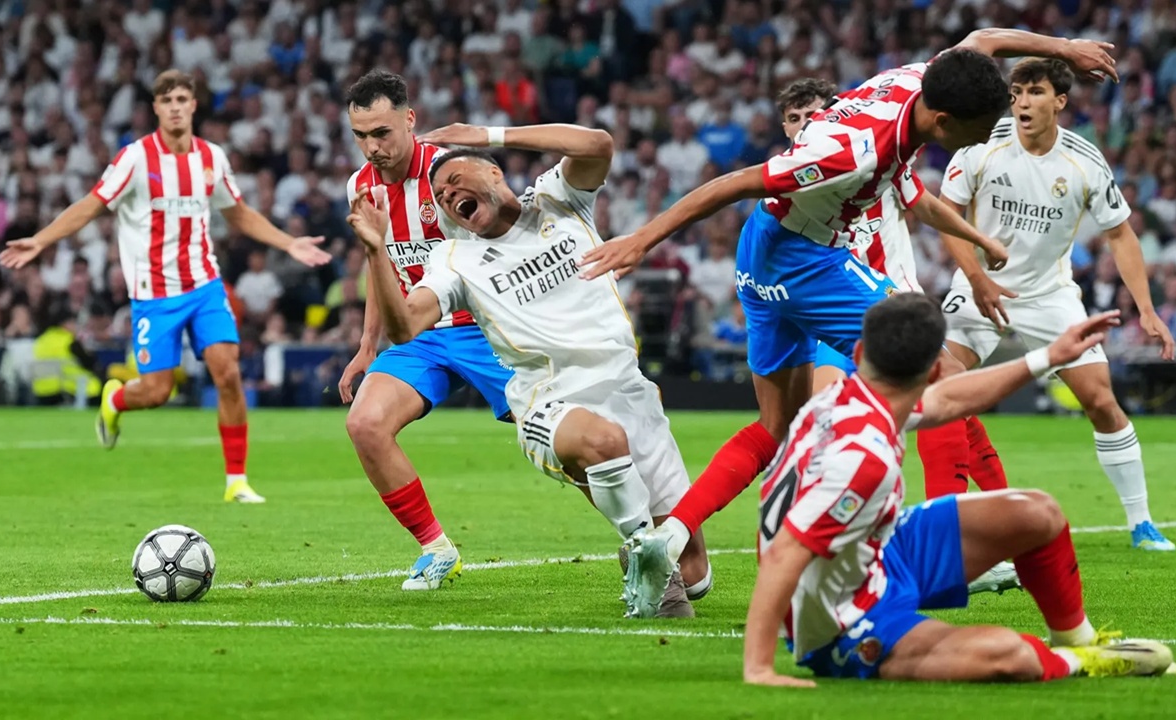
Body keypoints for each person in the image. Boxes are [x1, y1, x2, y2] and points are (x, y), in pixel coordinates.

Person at [597, 30, 1120, 613]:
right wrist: (642, 239)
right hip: (802, 260)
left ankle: (664, 541)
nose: (987, 138)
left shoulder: (914, 83)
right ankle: (945, 556)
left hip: (762, 258)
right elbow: (739, 182)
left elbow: (984, 41)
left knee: (776, 427)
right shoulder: (851, 153)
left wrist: (1065, 49)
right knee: (936, 369)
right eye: (979, 129)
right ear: (944, 121)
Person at [346, 121, 709, 618]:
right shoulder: (455, 260)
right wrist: (375, 251)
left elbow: (598, 144)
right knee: (602, 442)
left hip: (628, 390)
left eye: (457, 182)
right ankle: (647, 555)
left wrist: (487, 134)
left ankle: (653, 555)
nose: (449, 195)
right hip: (548, 398)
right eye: (443, 197)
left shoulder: (558, 200)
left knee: (697, 575)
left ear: (495, 173)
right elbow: (406, 326)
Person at [743, 293, 1175, 686]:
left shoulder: (846, 397)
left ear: (858, 353)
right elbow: (783, 553)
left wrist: (1048, 357)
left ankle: (1081, 639)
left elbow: (947, 402)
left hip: (877, 551)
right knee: (1011, 657)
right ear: (933, 369)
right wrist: (759, 668)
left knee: (1037, 512)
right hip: (841, 615)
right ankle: (1078, 661)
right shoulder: (862, 459)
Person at [0, 70, 331, 503]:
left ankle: (236, 481)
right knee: (157, 391)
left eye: (182, 98)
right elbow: (91, 205)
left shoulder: (211, 157)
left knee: (227, 371)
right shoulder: (135, 158)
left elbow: (239, 213)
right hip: (154, 295)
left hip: (205, 285)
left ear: (193, 105)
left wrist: (289, 242)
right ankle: (116, 401)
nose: (175, 106)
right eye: (166, 99)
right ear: (156, 108)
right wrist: (42, 239)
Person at [780, 79, 1017, 594]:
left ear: (836, 113)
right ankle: (828, 550)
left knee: (947, 407)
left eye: (813, 114)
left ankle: (961, 541)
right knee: (825, 429)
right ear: (785, 128)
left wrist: (977, 254)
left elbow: (924, 203)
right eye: (794, 119)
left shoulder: (870, 156)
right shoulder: (803, 183)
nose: (805, 125)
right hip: (837, 311)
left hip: (890, 299)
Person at [938, 58, 1176, 551]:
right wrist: (978, 278)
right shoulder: (982, 145)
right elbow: (947, 218)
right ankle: (957, 520)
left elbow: (1120, 234)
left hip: (1050, 294)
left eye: (1035, 93)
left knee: (1101, 401)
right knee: (943, 392)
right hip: (981, 286)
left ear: (1059, 102)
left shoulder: (1084, 161)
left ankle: (1142, 523)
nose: (1022, 102)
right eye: (1017, 92)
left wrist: (1147, 310)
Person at [336, 70, 516, 591]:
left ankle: (647, 534)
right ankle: (437, 549)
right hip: (419, 334)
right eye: (360, 136)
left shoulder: (449, 172)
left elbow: (510, 232)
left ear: (410, 120)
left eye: (382, 133)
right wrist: (368, 345)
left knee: (561, 443)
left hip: (486, 327)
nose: (371, 147)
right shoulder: (360, 185)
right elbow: (382, 265)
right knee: (365, 424)